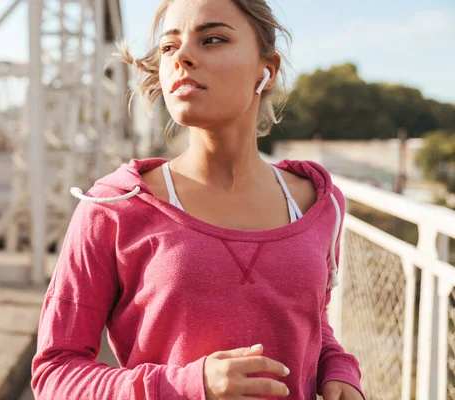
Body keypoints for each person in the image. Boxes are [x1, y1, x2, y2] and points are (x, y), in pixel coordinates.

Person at [31, 0, 365, 398]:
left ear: (267, 71)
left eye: (212, 39)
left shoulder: (318, 203)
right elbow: (55, 371)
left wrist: (340, 370)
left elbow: (311, 322)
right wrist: (189, 386)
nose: (182, 57)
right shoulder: (115, 206)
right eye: (169, 47)